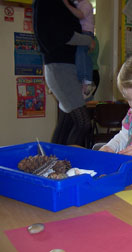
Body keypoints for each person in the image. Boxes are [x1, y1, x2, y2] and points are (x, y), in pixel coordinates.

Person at [33, 0, 94, 147]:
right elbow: (61, 35)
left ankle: (53, 162)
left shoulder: (67, 4)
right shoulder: (48, 3)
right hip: (59, 67)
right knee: (82, 122)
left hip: (68, 67)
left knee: (67, 122)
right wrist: (88, 40)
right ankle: (66, 161)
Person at [63, 0, 96, 99]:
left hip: (86, 33)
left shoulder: (86, 4)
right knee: (81, 56)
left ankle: (86, 81)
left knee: (81, 53)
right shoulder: (77, 4)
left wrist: (67, 5)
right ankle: (84, 81)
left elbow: (81, 15)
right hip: (79, 33)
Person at [88, 35, 100, 100]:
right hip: (94, 74)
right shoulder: (95, 39)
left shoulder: (89, 40)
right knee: (88, 101)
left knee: (86, 102)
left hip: (90, 74)